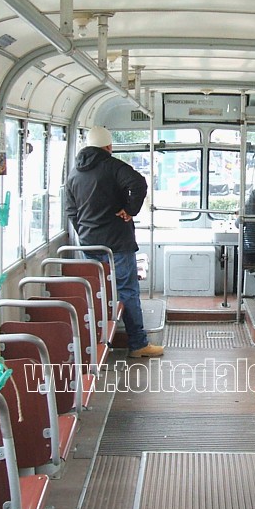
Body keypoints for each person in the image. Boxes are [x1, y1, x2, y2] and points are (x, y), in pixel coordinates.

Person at [65, 126, 164, 358]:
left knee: (95, 293)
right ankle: (138, 344)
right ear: (108, 147)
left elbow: (71, 211)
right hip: (117, 243)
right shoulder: (113, 166)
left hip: (89, 243)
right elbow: (138, 183)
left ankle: (97, 343)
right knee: (127, 291)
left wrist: (85, 232)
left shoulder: (74, 173)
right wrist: (130, 210)